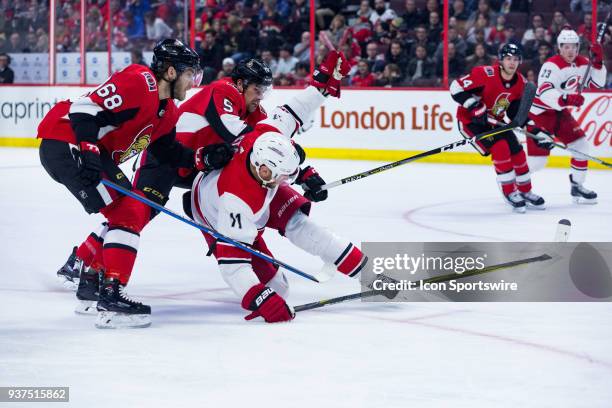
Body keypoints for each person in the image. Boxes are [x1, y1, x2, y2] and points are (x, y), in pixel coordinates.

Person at [38, 39, 214, 329]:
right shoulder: (139, 80)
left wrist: (202, 157)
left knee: (129, 210)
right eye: (188, 74)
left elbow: (167, 152)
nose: (193, 82)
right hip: (65, 141)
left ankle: (91, 285)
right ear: (170, 72)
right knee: (130, 211)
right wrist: (90, 151)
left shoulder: (167, 111)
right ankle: (112, 296)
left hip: (84, 150)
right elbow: (84, 109)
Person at [190, 51, 368, 323]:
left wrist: (321, 86)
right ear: (264, 171)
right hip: (212, 206)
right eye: (281, 177)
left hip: (251, 181)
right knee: (279, 289)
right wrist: (257, 297)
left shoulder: (265, 134)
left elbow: (295, 109)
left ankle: (369, 274)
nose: (285, 182)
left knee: (301, 225)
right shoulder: (235, 202)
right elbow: (233, 265)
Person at [450, 43, 544, 212]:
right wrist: (473, 106)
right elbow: (455, 87)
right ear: (501, 60)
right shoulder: (484, 74)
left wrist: (533, 128)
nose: (512, 63)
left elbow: (515, 112)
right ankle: (509, 191)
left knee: (517, 152)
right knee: (500, 148)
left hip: (496, 121)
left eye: (515, 59)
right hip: (472, 122)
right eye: (508, 59)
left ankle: (525, 191)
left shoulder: (520, 82)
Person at [526, 29, 607, 204]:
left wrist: (599, 63)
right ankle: (516, 183)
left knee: (580, 145)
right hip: (540, 113)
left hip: (559, 112)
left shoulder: (584, 63)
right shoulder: (551, 65)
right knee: (538, 162)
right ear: (559, 48)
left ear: (578, 47)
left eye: (574, 47)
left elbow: (599, 83)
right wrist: (566, 98)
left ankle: (577, 185)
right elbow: (544, 91)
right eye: (566, 47)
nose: (570, 51)